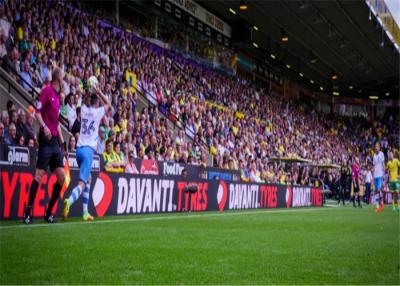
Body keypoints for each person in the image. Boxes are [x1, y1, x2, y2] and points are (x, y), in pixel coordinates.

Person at [23, 67, 66, 224]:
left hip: (55, 142)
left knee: (61, 177)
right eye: (63, 78)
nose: (64, 81)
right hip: (46, 140)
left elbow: (57, 122)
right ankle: (28, 211)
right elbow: (38, 112)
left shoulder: (57, 96)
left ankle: (48, 212)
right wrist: (44, 127)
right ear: (57, 79)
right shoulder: (47, 91)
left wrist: (62, 141)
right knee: (39, 175)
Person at [63, 85, 110, 221]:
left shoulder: (83, 110)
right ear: (97, 103)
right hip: (88, 151)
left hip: (78, 150)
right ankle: (69, 201)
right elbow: (108, 104)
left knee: (88, 178)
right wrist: (99, 91)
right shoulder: (98, 112)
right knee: (82, 183)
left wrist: (87, 91)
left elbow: (81, 99)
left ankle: (85, 212)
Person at [373, 142, 385, 213]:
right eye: (375, 146)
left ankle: (382, 204)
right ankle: (378, 206)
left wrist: (383, 173)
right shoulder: (374, 155)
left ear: (379, 147)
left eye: (377, 146)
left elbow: (383, 164)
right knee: (376, 191)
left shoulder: (381, 154)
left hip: (380, 174)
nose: (376, 147)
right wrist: (373, 175)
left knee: (379, 189)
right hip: (375, 175)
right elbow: (374, 166)